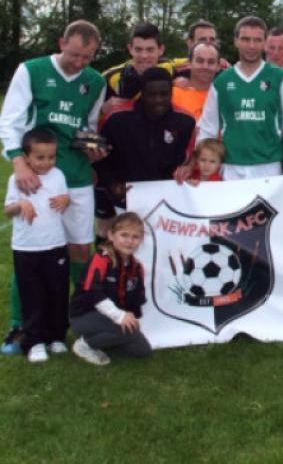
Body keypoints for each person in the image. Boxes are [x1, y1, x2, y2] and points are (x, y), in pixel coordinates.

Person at [0, 20, 106, 354]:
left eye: (87, 57)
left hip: (74, 178)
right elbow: (11, 119)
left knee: (78, 250)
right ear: (62, 43)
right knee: (32, 249)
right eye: (75, 54)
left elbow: (86, 130)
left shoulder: (95, 81)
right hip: (38, 175)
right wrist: (18, 161)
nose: (80, 63)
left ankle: (79, 319)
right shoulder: (30, 70)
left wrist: (93, 152)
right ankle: (21, 325)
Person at [196, 16, 283, 180]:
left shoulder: (280, 77)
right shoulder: (221, 81)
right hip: (231, 167)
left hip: (268, 166)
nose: (251, 46)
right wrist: (202, 167)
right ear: (236, 41)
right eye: (246, 39)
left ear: (264, 43)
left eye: (257, 40)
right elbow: (207, 128)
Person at [94, 66, 195, 233]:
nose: (158, 100)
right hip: (123, 198)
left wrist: (186, 170)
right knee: (119, 246)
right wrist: (112, 183)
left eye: (164, 94)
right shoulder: (116, 118)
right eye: (152, 94)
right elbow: (101, 157)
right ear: (142, 92)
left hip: (166, 201)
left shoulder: (185, 121)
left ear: (171, 92)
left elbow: (190, 157)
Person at [4, 129, 70, 362]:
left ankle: (57, 337)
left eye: (51, 157)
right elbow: (7, 210)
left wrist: (66, 199)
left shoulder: (59, 175)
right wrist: (21, 204)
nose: (46, 162)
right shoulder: (16, 179)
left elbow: (64, 198)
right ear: (27, 157)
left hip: (55, 245)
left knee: (57, 293)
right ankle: (35, 341)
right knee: (32, 295)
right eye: (40, 158)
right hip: (26, 248)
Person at [69, 212, 152, 366]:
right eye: (124, 235)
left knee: (142, 351)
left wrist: (132, 319)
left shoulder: (136, 267)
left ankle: (108, 338)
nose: (129, 241)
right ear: (111, 235)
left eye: (135, 237)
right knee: (127, 331)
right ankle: (84, 345)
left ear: (141, 240)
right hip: (84, 316)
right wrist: (120, 317)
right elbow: (94, 294)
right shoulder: (101, 259)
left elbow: (136, 302)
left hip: (111, 318)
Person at [103, 22, 176, 102]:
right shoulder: (109, 77)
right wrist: (102, 109)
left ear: (161, 50)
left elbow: (189, 63)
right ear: (130, 49)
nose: (144, 56)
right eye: (138, 49)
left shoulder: (169, 68)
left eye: (150, 50)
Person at [172, 42, 220, 121]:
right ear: (189, 63)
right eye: (200, 61)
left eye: (211, 62)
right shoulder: (173, 94)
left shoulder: (224, 97)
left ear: (218, 66)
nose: (205, 66)